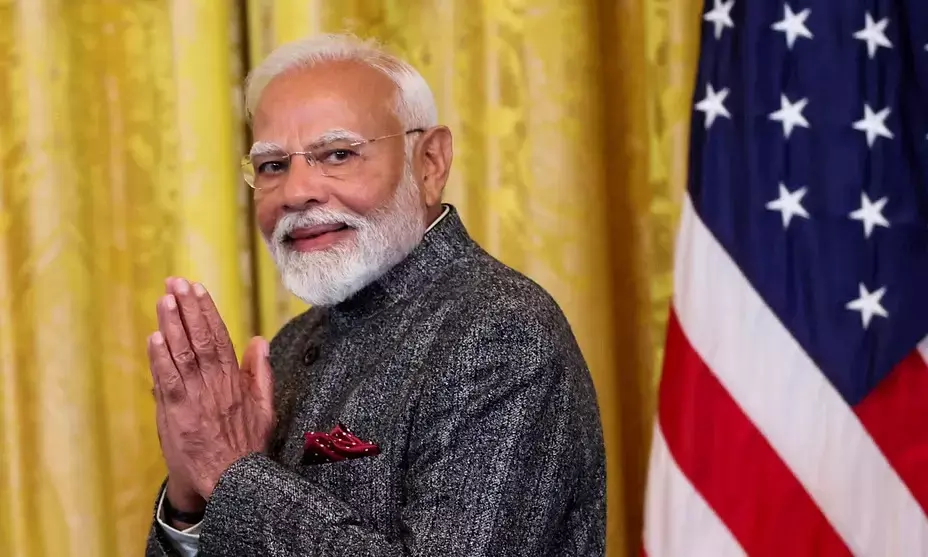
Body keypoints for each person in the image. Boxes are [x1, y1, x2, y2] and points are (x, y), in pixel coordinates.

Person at [144, 33, 605, 557]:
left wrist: (231, 475)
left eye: (338, 154)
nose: (296, 192)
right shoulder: (293, 343)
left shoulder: (500, 329)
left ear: (429, 163)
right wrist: (190, 501)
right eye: (273, 165)